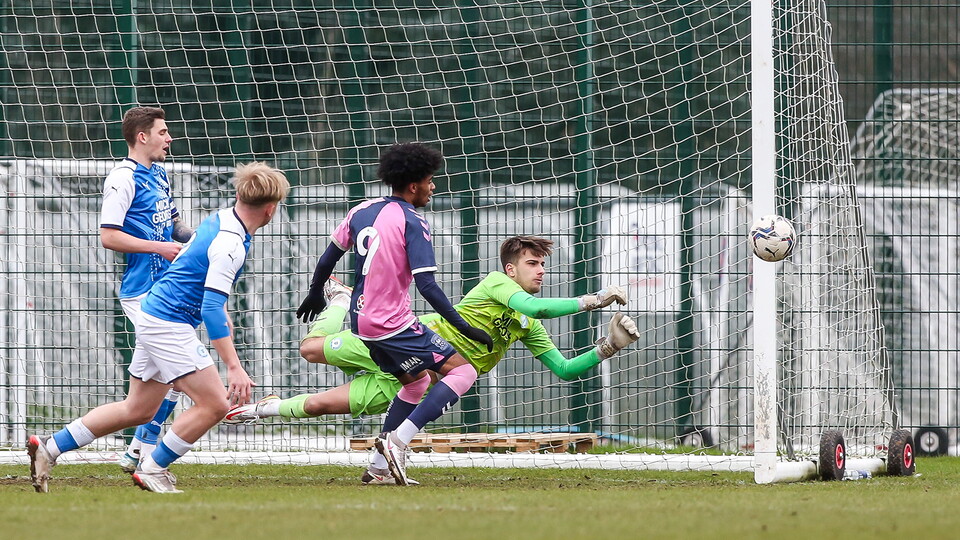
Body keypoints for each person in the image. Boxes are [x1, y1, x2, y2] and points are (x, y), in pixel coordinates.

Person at [226, 235, 640, 485]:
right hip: (399, 343)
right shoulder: (499, 284)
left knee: (320, 405)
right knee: (310, 350)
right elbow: (543, 308)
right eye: (533, 263)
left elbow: (563, 369)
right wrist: (593, 300)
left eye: (543, 265)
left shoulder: (525, 324)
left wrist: (608, 347)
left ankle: (268, 413)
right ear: (510, 269)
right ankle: (341, 298)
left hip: (414, 373)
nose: (541, 270)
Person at [27, 162, 290, 494]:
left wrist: (223, 315)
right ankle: (154, 468)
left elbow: (205, 286)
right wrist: (234, 367)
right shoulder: (231, 244)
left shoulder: (224, 219)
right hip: (168, 324)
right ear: (271, 209)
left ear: (238, 195)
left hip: (156, 316)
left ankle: (49, 447)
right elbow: (209, 306)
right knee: (216, 405)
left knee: (138, 409)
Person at [294, 142, 495, 486]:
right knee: (463, 371)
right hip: (391, 323)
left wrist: (315, 293)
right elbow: (427, 285)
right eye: (431, 181)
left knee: (416, 383)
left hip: (362, 322)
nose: (433, 187)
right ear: (414, 184)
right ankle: (398, 441)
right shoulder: (413, 221)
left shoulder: (362, 210)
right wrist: (466, 327)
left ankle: (377, 468)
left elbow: (328, 258)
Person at [99, 106, 194, 475]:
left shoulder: (159, 173)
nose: (169, 139)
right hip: (141, 293)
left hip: (165, 289)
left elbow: (172, 225)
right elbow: (109, 235)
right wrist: (158, 248)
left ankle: (137, 450)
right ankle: (143, 452)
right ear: (143, 136)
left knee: (165, 380)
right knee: (184, 370)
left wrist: (202, 239)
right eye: (163, 132)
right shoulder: (123, 178)